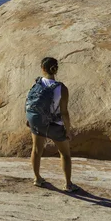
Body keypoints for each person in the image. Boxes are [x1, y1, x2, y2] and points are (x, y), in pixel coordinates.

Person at [26, 57, 79, 192]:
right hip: (55, 125)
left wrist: (30, 119)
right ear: (56, 69)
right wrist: (68, 130)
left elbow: (29, 102)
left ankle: (37, 179)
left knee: (37, 150)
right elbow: (64, 112)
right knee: (65, 154)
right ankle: (68, 185)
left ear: (43, 69)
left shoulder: (37, 83)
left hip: (37, 122)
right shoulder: (61, 88)